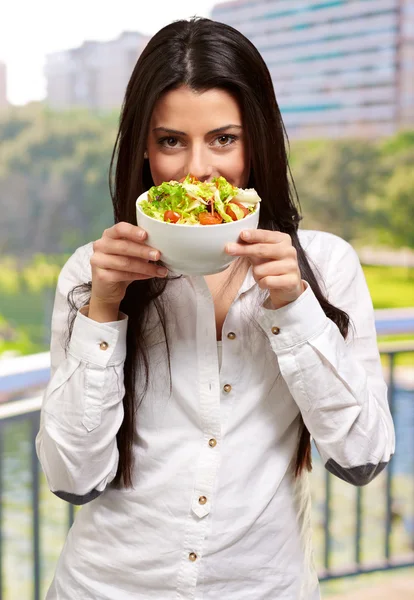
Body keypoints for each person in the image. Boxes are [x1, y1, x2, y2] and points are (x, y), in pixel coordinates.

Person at [36, 17, 395, 600]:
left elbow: (362, 458)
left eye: (223, 139)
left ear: (257, 142)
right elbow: (72, 478)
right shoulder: (92, 271)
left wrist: (294, 306)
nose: (198, 170)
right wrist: (103, 308)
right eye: (171, 141)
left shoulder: (325, 266)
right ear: (144, 150)